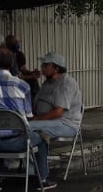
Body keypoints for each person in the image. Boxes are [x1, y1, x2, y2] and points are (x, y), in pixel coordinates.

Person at [0, 47, 56, 191]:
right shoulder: (22, 85)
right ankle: (42, 179)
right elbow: (29, 116)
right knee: (43, 140)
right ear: (13, 63)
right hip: (18, 142)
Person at [26, 51, 83, 184]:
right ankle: (38, 172)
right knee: (35, 133)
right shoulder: (48, 82)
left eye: (46, 66)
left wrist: (36, 120)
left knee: (27, 127)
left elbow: (58, 112)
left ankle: (36, 172)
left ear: (56, 68)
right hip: (49, 122)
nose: (42, 68)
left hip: (66, 124)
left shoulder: (64, 84)